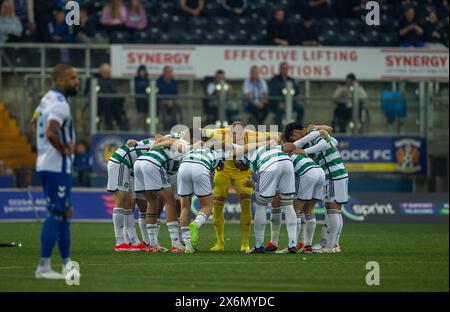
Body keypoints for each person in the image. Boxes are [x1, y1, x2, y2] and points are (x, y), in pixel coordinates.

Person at [34, 64, 80, 279]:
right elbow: (51, 131)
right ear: (59, 80)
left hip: (46, 163)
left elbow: (35, 121)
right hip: (56, 167)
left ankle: (66, 264)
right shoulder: (61, 104)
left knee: (64, 213)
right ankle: (43, 267)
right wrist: (64, 150)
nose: (76, 81)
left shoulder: (46, 99)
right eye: (72, 78)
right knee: (56, 213)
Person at [283, 122, 348, 253]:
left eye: (292, 137)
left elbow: (324, 143)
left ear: (295, 133)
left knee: (332, 208)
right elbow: (332, 140)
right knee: (333, 210)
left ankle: (331, 246)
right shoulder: (311, 135)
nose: (293, 140)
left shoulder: (311, 134)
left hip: (333, 174)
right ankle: (329, 243)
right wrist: (322, 131)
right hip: (337, 173)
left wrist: (303, 150)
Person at [133, 135, 191, 253]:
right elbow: (171, 142)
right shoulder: (186, 145)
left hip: (139, 163)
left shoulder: (173, 138)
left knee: (152, 202)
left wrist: (142, 142)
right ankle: (175, 244)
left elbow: (158, 137)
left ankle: (152, 244)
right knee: (170, 202)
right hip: (153, 163)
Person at [268, 62, 304, 129]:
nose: (285, 70)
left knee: (300, 109)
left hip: (290, 103)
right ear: (280, 69)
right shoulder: (274, 80)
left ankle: (298, 129)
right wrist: (279, 102)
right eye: (283, 68)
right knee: (279, 112)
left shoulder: (291, 80)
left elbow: (297, 92)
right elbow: (272, 93)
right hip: (277, 104)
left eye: (286, 69)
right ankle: (280, 132)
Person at [97, 63, 128, 131]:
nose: (108, 74)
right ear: (102, 72)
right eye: (106, 72)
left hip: (113, 104)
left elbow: (115, 92)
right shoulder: (97, 81)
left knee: (119, 108)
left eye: (108, 72)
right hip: (101, 104)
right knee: (108, 105)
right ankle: (108, 125)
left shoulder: (111, 81)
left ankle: (122, 126)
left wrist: (122, 98)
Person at [156, 66, 179, 130]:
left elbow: (176, 93)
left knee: (176, 104)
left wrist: (171, 100)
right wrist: (165, 101)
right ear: (164, 72)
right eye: (168, 72)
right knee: (162, 105)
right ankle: (165, 124)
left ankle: (173, 123)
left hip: (172, 101)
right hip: (161, 101)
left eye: (171, 72)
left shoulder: (174, 81)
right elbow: (158, 93)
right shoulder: (159, 81)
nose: (170, 74)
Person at [134, 65, 149, 131]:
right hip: (139, 99)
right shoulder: (136, 80)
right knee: (140, 114)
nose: (142, 73)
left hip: (146, 99)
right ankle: (140, 127)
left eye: (143, 71)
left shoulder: (147, 80)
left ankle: (147, 127)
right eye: (141, 71)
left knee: (146, 114)